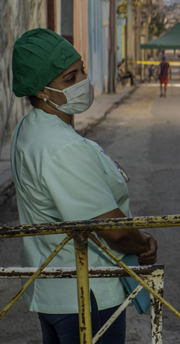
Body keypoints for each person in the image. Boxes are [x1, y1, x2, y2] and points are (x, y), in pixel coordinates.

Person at [9, 28, 159, 344]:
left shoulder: (30, 129)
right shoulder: (62, 147)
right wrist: (142, 243)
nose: (82, 83)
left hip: (54, 290)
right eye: (69, 78)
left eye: (82, 72)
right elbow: (113, 230)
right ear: (42, 90)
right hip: (86, 294)